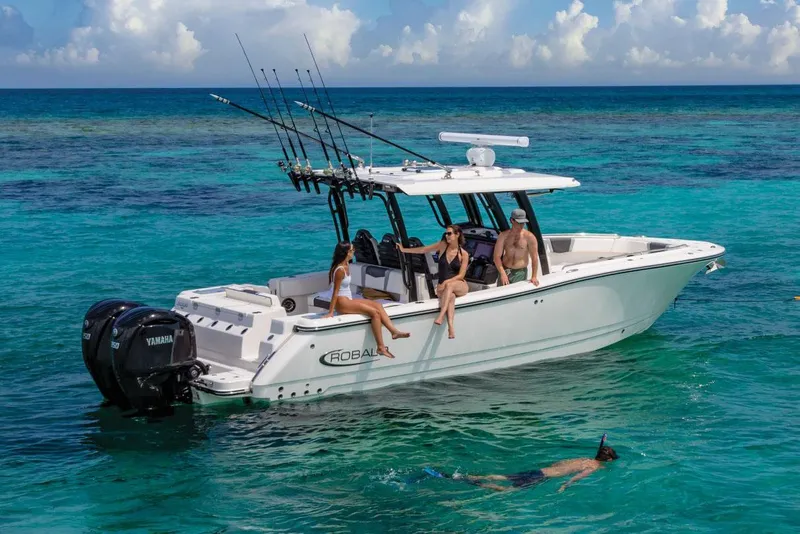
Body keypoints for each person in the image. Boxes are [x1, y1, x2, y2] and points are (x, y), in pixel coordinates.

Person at [424, 437, 619, 493]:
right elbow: (576, 477)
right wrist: (564, 485)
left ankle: (464, 477)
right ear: (608, 460)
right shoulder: (593, 467)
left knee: (503, 477)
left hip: (541, 470)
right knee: (505, 490)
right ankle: (469, 482)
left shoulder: (581, 458)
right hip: (543, 477)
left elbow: (559, 463)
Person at [322, 242, 410, 359]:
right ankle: (381, 347)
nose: (354, 252)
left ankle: (394, 331)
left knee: (377, 305)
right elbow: (335, 292)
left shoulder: (346, 265)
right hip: (341, 302)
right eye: (352, 250)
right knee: (374, 313)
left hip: (347, 300)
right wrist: (331, 312)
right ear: (346, 253)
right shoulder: (339, 270)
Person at [397, 225, 469, 339]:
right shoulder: (442, 246)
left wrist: (448, 282)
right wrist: (404, 250)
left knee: (450, 286)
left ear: (457, 235)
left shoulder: (463, 254)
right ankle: (450, 327)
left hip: (460, 285)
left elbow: (461, 275)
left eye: (449, 233)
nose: (446, 236)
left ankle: (441, 316)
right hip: (443, 288)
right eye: (446, 233)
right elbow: (423, 249)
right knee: (451, 297)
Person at [493, 208, 540, 287]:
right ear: (512, 220)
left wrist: (534, 276)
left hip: (520, 272)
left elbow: (534, 257)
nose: (521, 225)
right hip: (505, 270)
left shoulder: (529, 237)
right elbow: (496, 257)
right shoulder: (503, 236)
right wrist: (502, 273)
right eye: (519, 223)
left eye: (523, 223)